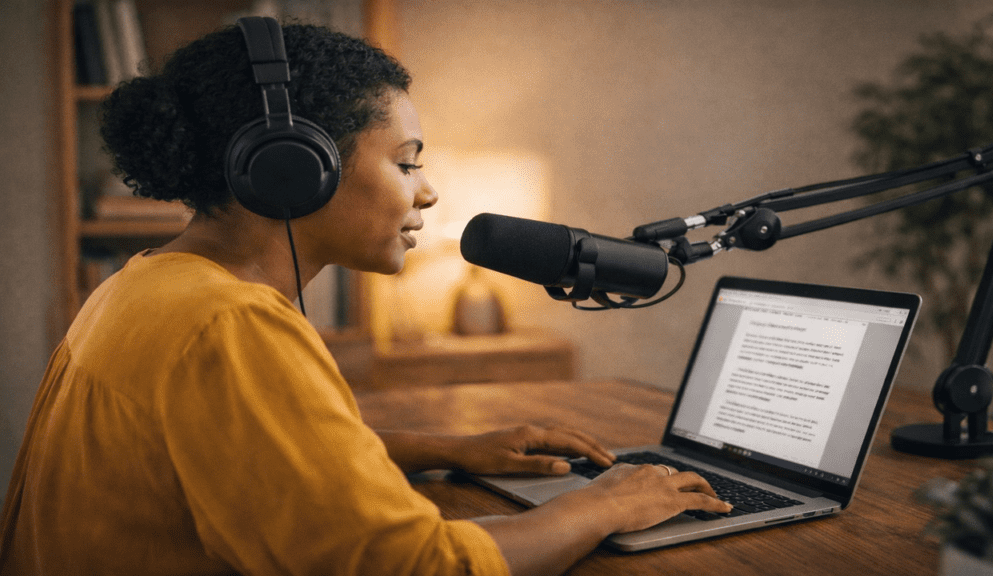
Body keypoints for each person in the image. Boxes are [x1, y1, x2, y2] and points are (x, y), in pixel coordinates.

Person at [0, 19, 730, 576]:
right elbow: (416, 567)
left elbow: (248, 457)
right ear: (294, 170)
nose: (429, 190)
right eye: (407, 161)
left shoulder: (148, 283)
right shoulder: (228, 324)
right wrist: (606, 504)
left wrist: (446, 450)